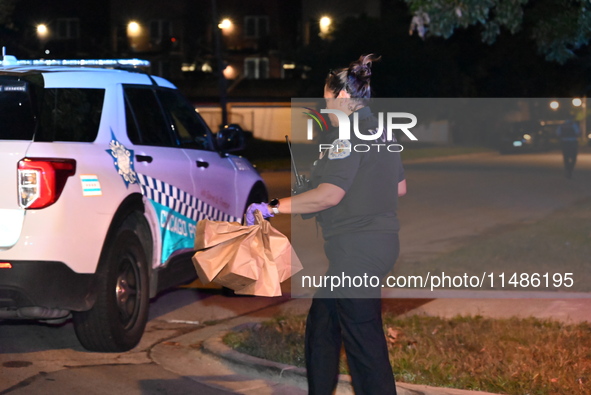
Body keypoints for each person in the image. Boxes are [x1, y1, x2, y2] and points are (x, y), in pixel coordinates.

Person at [246, 54, 406, 395]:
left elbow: (327, 196)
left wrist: (273, 206)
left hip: (357, 252)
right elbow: (398, 187)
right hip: (378, 244)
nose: (325, 105)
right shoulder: (382, 130)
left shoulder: (347, 137)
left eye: (327, 99)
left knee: (364, 342)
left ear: (343, 97)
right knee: (323, 326)